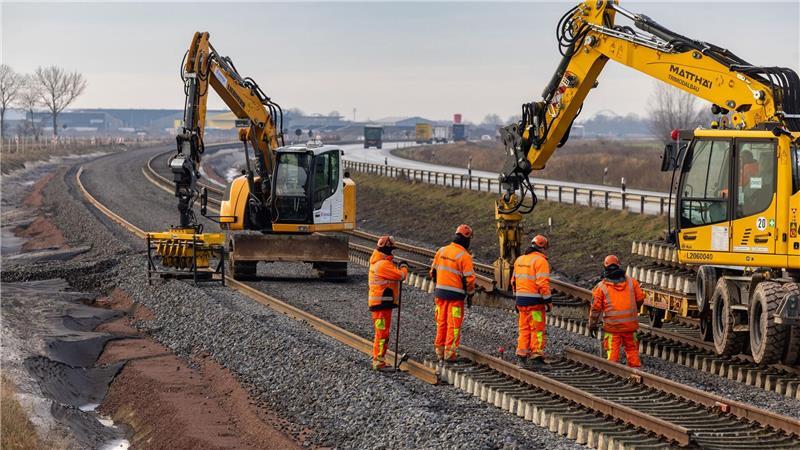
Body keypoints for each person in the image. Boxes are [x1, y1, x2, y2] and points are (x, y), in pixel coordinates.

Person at [588, 255, 645, 368]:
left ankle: (612, 372)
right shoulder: (632, 282)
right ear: (619, 265)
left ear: (605, 267)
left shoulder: (601, 287)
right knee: (632, 350)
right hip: (630, 326)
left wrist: (592, 325)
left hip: (612, 328)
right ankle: (635, 372)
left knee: (612, 353)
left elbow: (595, 309)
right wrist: (634, 310)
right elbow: (640, 299)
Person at [430, 224, 476, 362]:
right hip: (455, 296)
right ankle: (450, 353)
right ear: (467, 239)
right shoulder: (464, 256)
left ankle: (439, 350)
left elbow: (432, 272)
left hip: (440, 294)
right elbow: (470, 280)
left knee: (441, 322)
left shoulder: (441, 251)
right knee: (454, 324)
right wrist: (470, 293)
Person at [368, 235, 409, 371]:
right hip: (381, 305)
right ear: (387, 248)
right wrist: (404, 267)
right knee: (382, 334)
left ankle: (380, 360)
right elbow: (401, 276)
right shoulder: (383, 265)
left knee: (382, 333)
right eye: (391, 249)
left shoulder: (379, 262)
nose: (392, 252)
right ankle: (378, 361)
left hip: (382, 304)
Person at [511, 235, 552, 365]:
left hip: (521, 301)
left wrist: (516, 298)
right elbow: (542, 284)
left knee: (524, 328)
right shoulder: (541, 261)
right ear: (542, 247)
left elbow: (513, 282)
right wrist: (548, 301)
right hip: (535, 302)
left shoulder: (519, 260)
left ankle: (521, 354)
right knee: (537, 329)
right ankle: (536, 354)